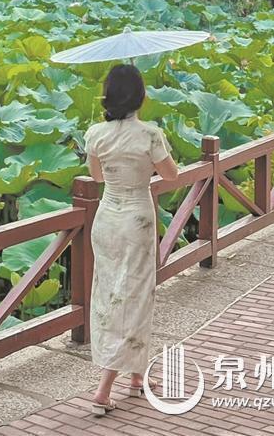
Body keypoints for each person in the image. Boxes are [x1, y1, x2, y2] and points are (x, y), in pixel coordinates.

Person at [83, 63, 180, 416]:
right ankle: (103, 390)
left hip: (107, 220)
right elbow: (171, 176)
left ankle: (137, 376)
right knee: (134, 297)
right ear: (141, 96)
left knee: (110, 294)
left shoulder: (95, 133)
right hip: (137, 219)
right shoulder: (150, 135)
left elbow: (97, 176)